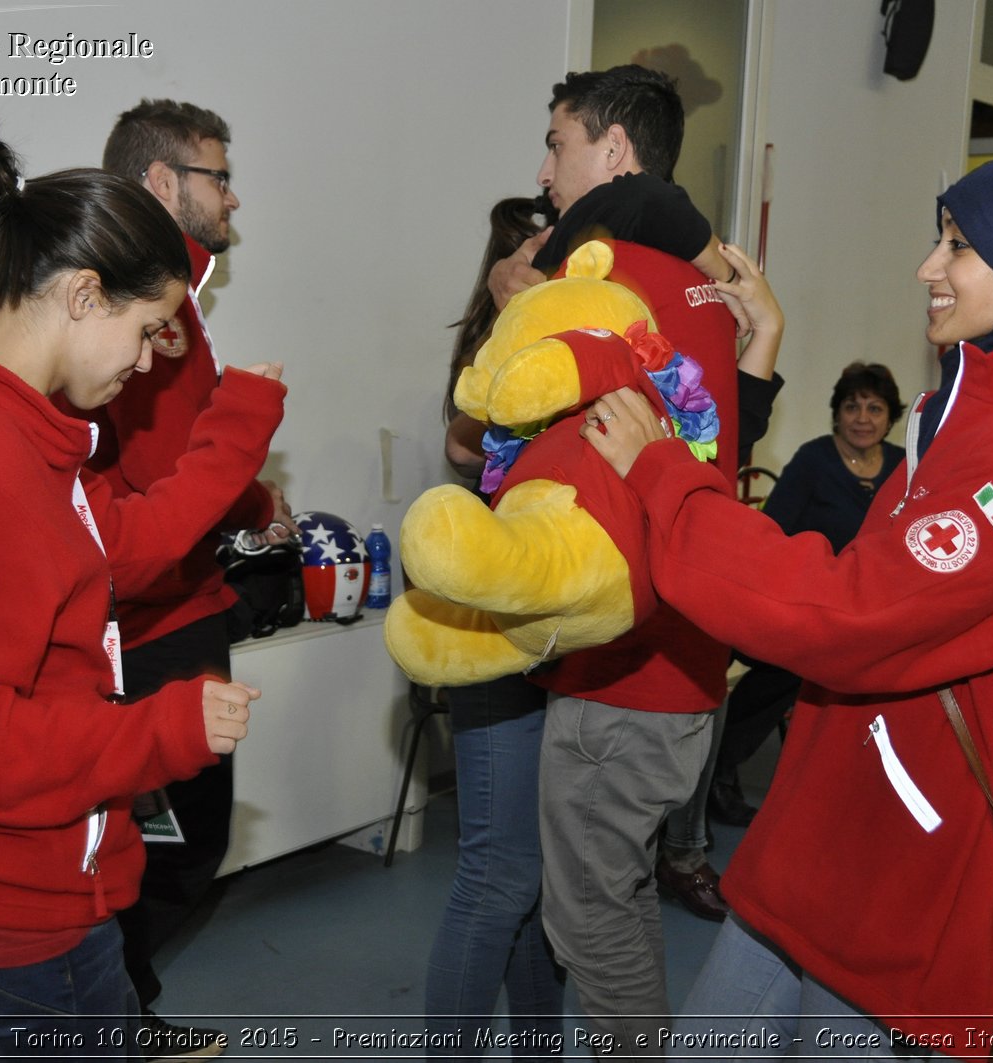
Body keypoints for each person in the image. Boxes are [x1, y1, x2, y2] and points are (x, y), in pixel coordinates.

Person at [583, 153, 993, 1052]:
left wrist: (666, 478)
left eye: (957, 247)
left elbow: (850, 612)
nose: (928, 266)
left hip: (910, 866)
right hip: (837, 828)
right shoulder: (981, 411)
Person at [0, 111, 285, 1058]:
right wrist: (161, 730)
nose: (149, 360)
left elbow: (117, 549)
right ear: (85, 295)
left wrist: (238, 427)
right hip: (1, 902)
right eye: (147, 328)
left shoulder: (24, 442)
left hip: (38, 878)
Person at [488, 65, 782, 1046]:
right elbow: (718, 457)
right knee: (617, 894)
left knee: (590, 920)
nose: (543, 171)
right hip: (684, 662)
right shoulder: (699, 294)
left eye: (559, 143)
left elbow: (515, 453)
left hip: (625, 677)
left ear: (612, 151)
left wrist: (513, 309)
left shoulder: (609, 282)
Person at [88, 98, 295, 1053]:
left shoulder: (173, 299)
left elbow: (191, 448)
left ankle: (118, 1011)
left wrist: (256, 507)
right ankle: (111, 1015)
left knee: (163, 840)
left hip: (175, 601)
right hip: (151, 616)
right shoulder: (153, 312)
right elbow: (171, 472)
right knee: (177, 841)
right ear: (165, 183)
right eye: (218, 175)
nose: (234, 195)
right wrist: (246, 494)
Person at [427, 195, 567, 1057]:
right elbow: (462, 442)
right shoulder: (498, 346)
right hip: (496, 625)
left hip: (555, 620)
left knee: (537, 878)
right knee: (499, 871)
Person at [711, 363, 907, 826]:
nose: (862, 417)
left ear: (890, 416)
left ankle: (868, 777)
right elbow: (773, 535)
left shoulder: (902, 465)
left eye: (874, 407)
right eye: (852, 406)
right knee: (794, 663)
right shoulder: (814, 460)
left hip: (869, 611)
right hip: (798, 603)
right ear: (836, 414)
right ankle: (721, 770)